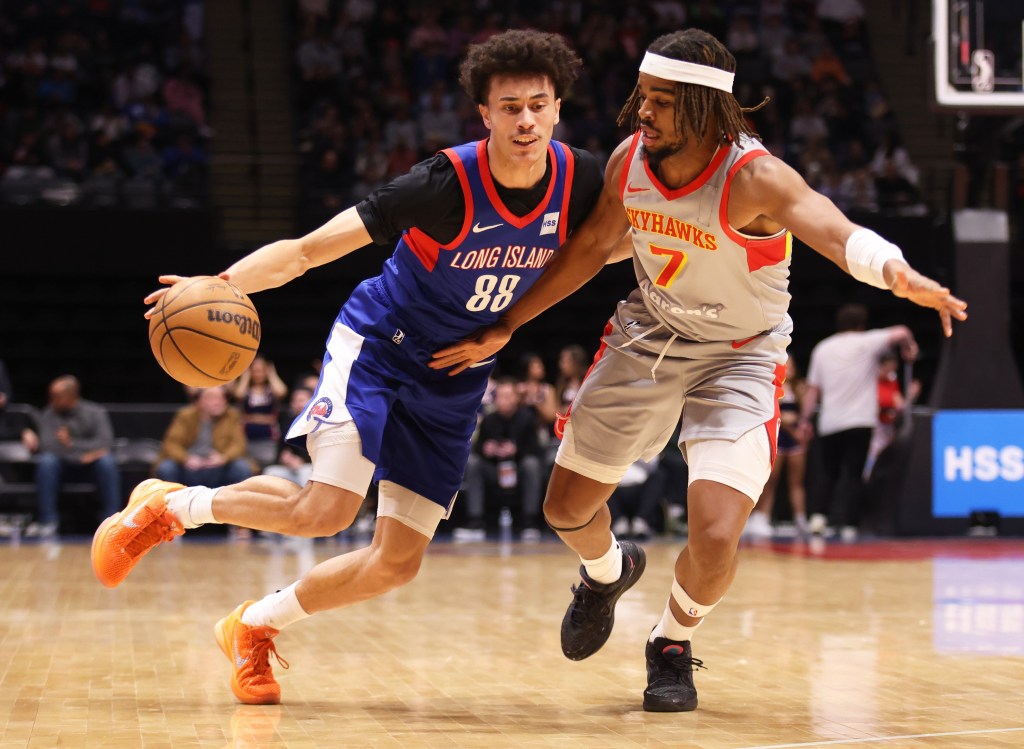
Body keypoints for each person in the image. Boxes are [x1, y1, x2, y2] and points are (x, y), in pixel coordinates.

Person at [429, 28, 967, 712]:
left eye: (660, 101)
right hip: (651, 334)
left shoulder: (756, 178)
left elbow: (830, 226)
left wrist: (893, 270)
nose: (642, 112)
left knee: (714, 534)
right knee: (564, 506)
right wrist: (509, 322)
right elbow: (590, 249)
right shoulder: (631, 163)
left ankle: (672, 641)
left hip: (741, 352)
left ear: (706, 108)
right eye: (642, 96)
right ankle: (608, 572)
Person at [91, 29, 602, 705]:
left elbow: (598, 252)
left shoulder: (582, 179)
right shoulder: (440, 186)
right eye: (510, 106)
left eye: (538, 104)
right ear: (484, 113)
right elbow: (305, 251)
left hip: (454, 377)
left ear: (558, 107)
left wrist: (506, 327)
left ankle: (252, 627)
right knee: (326, 509)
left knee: (397, 562)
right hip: (380, 348)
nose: (527, 120)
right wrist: (217, 285)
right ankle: (172, 506)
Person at [799, 303, 918, 541]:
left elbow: (813, 390)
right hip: (860, 421)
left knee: (828, 472)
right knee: (853, 473)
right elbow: (903, 331)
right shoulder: (866, 342)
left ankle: (818, 519)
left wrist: (805, 419)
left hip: (829, 421)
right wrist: (909, 348)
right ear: (861, 325)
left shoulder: (823, 348)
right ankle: (847, 523)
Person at [20, 375, 121, 538]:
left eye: (55, 396)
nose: (51, 400)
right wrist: (81, 454)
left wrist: (73, 444)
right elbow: (47, 445)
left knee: (107, 462)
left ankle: (112, 523)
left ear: (70, 396)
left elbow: (105, 443)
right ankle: (48, 521)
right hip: (63, 466)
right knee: (47, 462)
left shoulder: (95, 412)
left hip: (90, 467)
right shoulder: (48, 414)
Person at [458, 377, 544, 541]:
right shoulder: (489, 419)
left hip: (518, 469)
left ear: (516, 398)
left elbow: (536, 449)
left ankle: (530, 523)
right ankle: (475, 522)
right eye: (500, 396)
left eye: (507, 396)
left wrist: (516, 450)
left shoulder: (527, 418)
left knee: (531, 465)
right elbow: (478, 447)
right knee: (474, 463)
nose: (503, 400)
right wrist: (486, 449)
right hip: (494, 469)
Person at [743, 355, 809, 539]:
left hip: (795, 441)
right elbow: (776, 413)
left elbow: (803, 414)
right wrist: (789, 425)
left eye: (792, 365)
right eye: (786, 365)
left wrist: (800, 428)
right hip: (779, 437)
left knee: (796, 482)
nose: (789, 369)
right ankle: (760, 517)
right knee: (769, 480)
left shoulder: (800, 387)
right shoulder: (773, 386)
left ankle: (800, 519)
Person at [152, 386, 255, 490]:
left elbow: (239, 444)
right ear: (199, 401)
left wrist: (223, 458)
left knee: (241, 467)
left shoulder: (232, 415)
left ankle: (236, 503)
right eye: (212, 398)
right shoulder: (185, 415)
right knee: (167, 468)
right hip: (189, 465)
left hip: (218, 465)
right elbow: (171, 443)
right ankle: (171, 502)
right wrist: (186, 459)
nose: (218, 402)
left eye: (222, 398)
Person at [228, 356, 289, 467]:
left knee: (267, 465)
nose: (258, 374)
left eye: (261, 370)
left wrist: (272, 374)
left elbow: (282, 392)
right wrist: (245, 375)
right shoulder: (246, 391)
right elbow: (238, 394)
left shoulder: (271, 390)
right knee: (248, 466)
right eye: (255, 371)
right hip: (247, 435)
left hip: (268, 436)